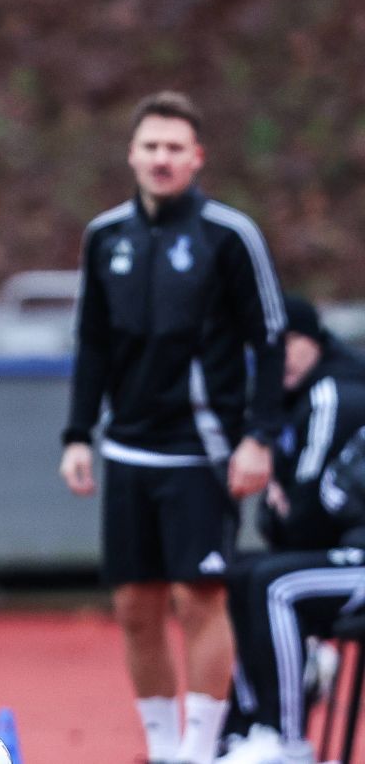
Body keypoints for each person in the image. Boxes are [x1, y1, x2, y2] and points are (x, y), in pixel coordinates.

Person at [59, 90, 286, 764]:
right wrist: (77, 433)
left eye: (174, 148)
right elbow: (92, 342)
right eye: (150, 146)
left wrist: (260, 437)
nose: (161, 158)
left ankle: (202, 745)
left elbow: (269, 338)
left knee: (198, 596)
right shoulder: (105, 237)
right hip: (127, 445)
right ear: (132, 154)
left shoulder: (228, 236)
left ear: (197, 158)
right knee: (135, 604)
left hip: (204, 448)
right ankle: (164, 749)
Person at [217, 296, 365, 764]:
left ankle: (286, 739)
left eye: (288, 343)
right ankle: (250, 729)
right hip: (348, 553)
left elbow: (312, 509)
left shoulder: (335, 395)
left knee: (275, 583)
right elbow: (291, 511)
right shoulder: (286, 401)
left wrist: (294, 510)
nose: (278, 356)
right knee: (242, 573)